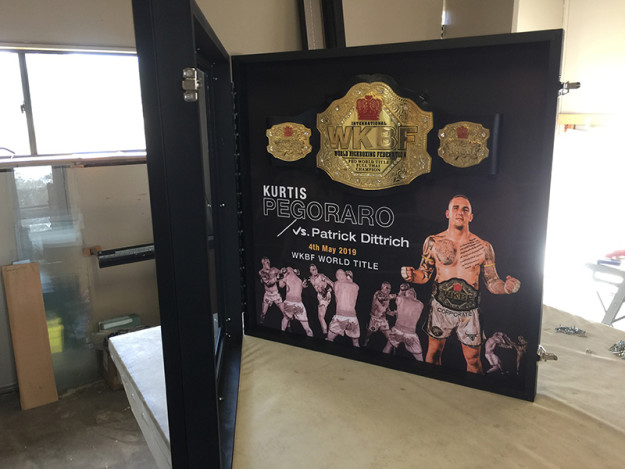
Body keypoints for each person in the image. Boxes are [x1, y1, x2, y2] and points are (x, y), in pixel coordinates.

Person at [401, 195, 521, 373]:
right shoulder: (433, 242)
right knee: (433, 352)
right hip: (440, 307)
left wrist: (505, 287)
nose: (460, 212)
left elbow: (492, 281)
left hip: (469, 311)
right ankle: (430, 386)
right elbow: (424, 275)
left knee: (473, 359)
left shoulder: (483, 247)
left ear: (470, 216)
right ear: (447, 213)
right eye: (455, 208)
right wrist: (412, 276)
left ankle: (475, 390)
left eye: (465, 209)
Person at [382, 284, 424, 361]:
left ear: (415, 295)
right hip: (400, 329)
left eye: (413, 291)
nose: (411, 291)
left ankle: (424, 368)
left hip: (409, 332)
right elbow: (386, 298)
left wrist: (402, 291)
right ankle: (381, 362)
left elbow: (392, 297)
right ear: (405, 293)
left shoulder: (419, 304)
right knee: (388, 346)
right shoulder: (402, 299)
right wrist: (401, 291)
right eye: (409, 290)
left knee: (419, 356)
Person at [326, 269, 360, 347]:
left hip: (340, 317)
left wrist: (326, 279)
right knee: (355, 343)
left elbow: (332, 284)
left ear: (339, 276)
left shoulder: (337, 284)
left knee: (329, 339)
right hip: (353, 318)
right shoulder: (356, 286)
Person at [279, 267, 314, 336]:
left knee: (285, 319)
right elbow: (304, 286)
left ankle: (282, 334)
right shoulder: (299, 280)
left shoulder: (287, 277)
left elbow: (280, 285)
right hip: (299, 304)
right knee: (307, 328)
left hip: (289, 303)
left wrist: (281, 275)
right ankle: (311, 338)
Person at [363, 281, 396, 347]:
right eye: (387, 288)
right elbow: (381, 298)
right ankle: (364, 342)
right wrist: (395, 295)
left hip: (383, 319)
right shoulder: (378, 293)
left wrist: (392, 313)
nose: (388, 290)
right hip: (374, 319)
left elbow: (386, 310)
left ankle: (392, 351)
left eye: (390, 288)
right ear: (382, 288)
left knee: (390, 338)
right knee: (368, 334)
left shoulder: (388, 298)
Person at [304, 264, 334, 335]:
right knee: (320, 317)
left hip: (326, 294)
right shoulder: (310, 279)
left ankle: (325, 334)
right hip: (320, 296)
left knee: (321, 316)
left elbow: (331, 282)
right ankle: (325, 333)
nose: (315, 271)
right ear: (310, 271)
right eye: (313, 270)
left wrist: (333, 290)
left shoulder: (321, 276)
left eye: (316, 269)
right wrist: (304, 284)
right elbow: (304, 286)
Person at [258, 256, 285, 324]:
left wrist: (283, 271)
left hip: (276, 294)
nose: (268, 264)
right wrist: (277, 278)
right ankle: (259, 327)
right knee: (263, 313)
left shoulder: (273, 269)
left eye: (268, 262)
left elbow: (281, 273)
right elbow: (268, 283)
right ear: (263, 264)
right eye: (266, 262)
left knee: (284, 312)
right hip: (268, 295)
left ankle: (289, 327)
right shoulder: (261, 272)